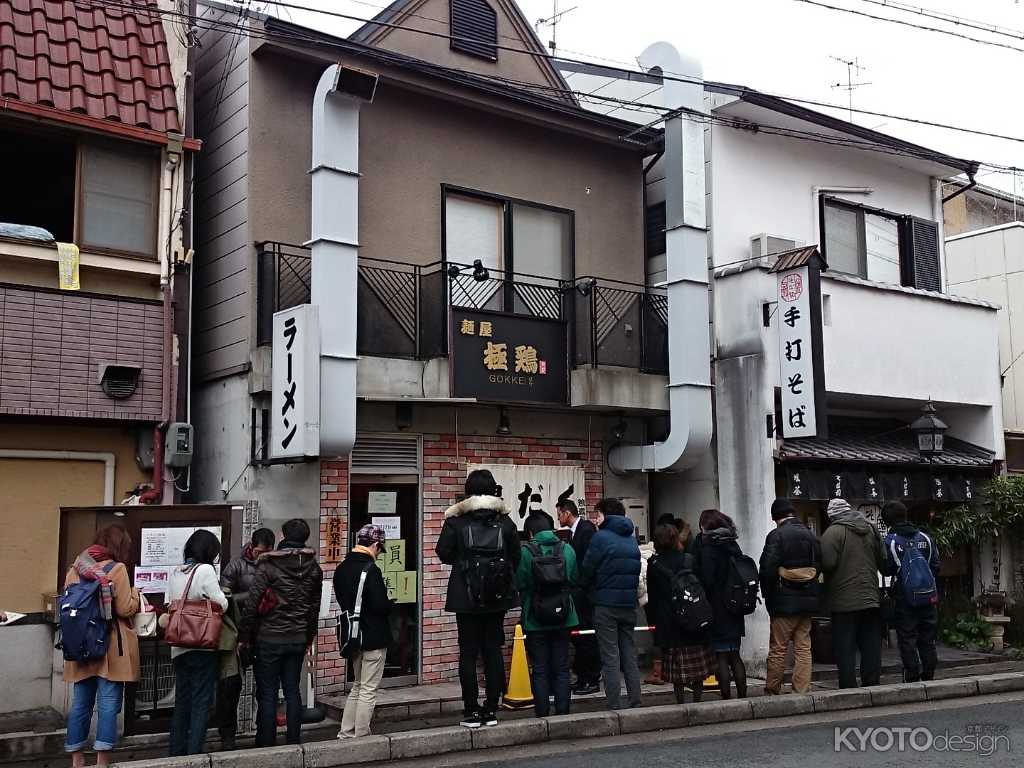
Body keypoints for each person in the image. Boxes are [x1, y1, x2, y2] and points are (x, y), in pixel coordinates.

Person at [436, 469, 521, 728]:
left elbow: (443, 553)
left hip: (466, 595)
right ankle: (491, 708)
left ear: (468, 490)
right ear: (495, 490)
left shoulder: (456, 522)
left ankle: (471, 710)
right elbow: (516, 556)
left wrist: (464, 565)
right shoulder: (505, 522)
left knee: (468, 653)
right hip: (497, 595)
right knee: (493, 650)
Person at [63, 525, 141, 768]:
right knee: (108, 704)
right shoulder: (116, 569)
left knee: (81, 704)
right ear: (120, 546)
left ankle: (77, 759)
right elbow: (124, 608)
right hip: (109, 645)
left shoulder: (74, 570)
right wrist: (137, 595)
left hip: (80, 645)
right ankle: (102, 761)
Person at [243, 518, 323, 747]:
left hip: (269, 637)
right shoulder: (314, 569)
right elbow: (313, 608)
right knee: (292, 690)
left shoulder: (268, 566)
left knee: (268, 693)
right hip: (297, 637)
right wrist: (309, 636)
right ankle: (294, 741)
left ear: (282, 536)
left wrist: (244, 637)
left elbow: (252, 603)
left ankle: (266, 743)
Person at [167, 529, 229, 756]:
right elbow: (221, 604)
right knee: (201, 701)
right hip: (201, 645)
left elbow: (170, 603)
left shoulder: (176, 571)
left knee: (182, 702)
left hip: (179, 646)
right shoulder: (204, 570)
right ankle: (194, 754)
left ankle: (177, 752)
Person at [580, 497, 642, 711]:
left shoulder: (601, 538)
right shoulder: (631, 539)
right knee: (629, 654)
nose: (595, 520)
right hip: (628, 605)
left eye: (597, 515)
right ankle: (635, 700)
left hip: (605, 605)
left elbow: (587, 570)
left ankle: (614, 703)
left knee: (610, 656)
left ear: (606, 515)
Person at [217, 527, 275, 749]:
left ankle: (264, 733)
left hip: (266, 633)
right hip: (239, 634)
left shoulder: (274, 564)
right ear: (252, 546)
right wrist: (253, 597)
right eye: (260, 552)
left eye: (267, 553)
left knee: (266, 687)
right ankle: (227, 735)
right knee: (231, 688)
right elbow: (224, 597)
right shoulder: (236, 565)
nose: (263, 557)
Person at [517, 514, 579, 718]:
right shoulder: (566, 549)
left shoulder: (526, 552)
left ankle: (542, 713)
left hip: (535, 618)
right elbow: (574, 579)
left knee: (540, 668)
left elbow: (521, 583)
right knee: (562, 667)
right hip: (564, 616)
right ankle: (563, 712)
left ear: (530, 532)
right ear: (551, 529)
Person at [820, 498, 885, 689]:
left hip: (843, 601)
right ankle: (872, 682)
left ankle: (848, 684)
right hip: (871, 598)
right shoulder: (872, 529)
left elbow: (828, 563)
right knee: (871, 645)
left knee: (845, 647)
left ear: (832, 516)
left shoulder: (832, 533)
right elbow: (883, 561)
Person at [334, 524, 393, 738]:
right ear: (376, 545)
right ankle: (361, 734)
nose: (379, 554)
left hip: (353, 636)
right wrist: (391, 605)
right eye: (380, 549)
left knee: (357, 686)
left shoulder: (341, 569)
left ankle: (346, 731)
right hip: (373, 636)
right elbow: (379, 606)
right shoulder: (371, 570)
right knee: (368, 688)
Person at [758, 498, 822, 695]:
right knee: (803, 647)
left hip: (783, 601)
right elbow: (819, 566)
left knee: (779, 647)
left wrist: (769, 596)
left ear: (776, 516)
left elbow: (767, 569)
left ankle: (772, 689)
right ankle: (801, 689)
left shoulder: (776, 535)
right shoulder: (811, 536)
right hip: (808, 600)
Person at [647, 523, 714, 703]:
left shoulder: (654, 564)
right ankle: (697, 700)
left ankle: (680, 702)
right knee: (697, 666)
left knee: (677, 668)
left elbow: (652, 598)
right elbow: (703, 587)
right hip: (693, 617)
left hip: (669, 622)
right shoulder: (688, 559)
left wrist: (653, 622)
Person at [692, 509, 748, 699]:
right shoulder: (733, 544)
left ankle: (726, 697)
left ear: (705, 526)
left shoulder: (709, 548)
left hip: (718, 606)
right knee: (735, 654)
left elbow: (708, 580)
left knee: (722, 656)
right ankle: (742, 696)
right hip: (736, 604)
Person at [882, 501, 940, 683]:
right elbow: (936, 566)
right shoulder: (926, 538)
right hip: (928, 595)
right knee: (927, 637)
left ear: (887, 521)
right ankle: (929, 673)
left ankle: (912, 675)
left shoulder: (890, 542)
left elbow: (887, 570)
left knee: (907, 637)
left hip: (904, 597)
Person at [557, 499, 600, 696]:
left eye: (559, 513)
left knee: (587, 636)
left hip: (586, 594)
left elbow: (589, 563)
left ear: (567, 513)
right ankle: (583, 678)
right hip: (580, 593)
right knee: (580, 637)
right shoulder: (575, 532)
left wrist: (581, 585)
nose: (558, 518)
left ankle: (591, 679)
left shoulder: (586, 530)